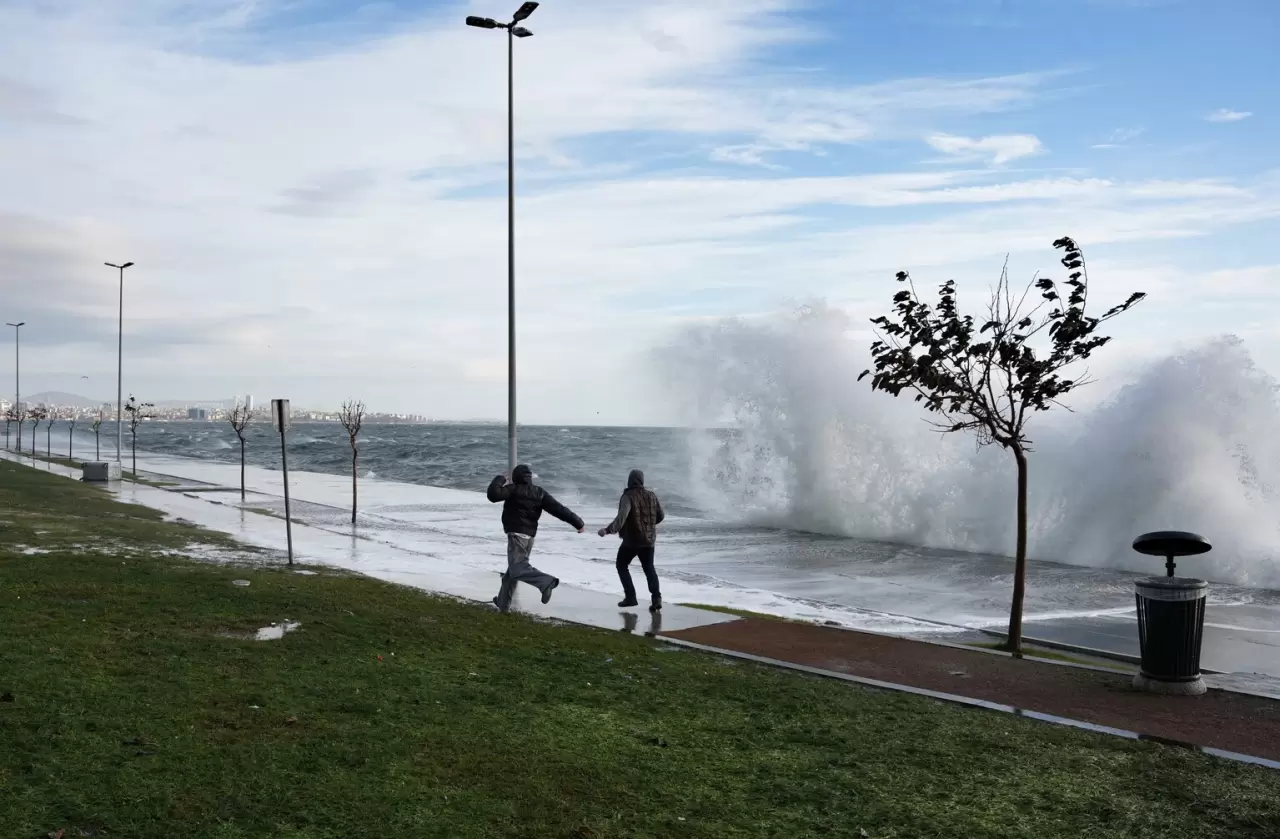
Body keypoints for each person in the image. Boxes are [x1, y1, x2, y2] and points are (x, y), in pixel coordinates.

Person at [487, 464, 585, 613]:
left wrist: (501, 478)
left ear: (516, 477)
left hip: (517, 535)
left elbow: (493, 495)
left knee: (517, 569)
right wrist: (578, 523)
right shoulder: (539, 493)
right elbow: (559, 509)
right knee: (512, 572)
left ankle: (546, 582)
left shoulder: (514, 490)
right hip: (529, 538)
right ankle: (502, 603)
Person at [598, 469, 665, 612]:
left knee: (621, 565)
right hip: (649, 540)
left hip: (633, 540)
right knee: (649, 568)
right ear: (642, 480)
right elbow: (660, 516)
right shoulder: (651, 495)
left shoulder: (628, 496)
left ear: (630, 480)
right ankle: (656, 598)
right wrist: (649, 525)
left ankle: (631, 597)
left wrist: (608, 530)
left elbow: (622, 517)